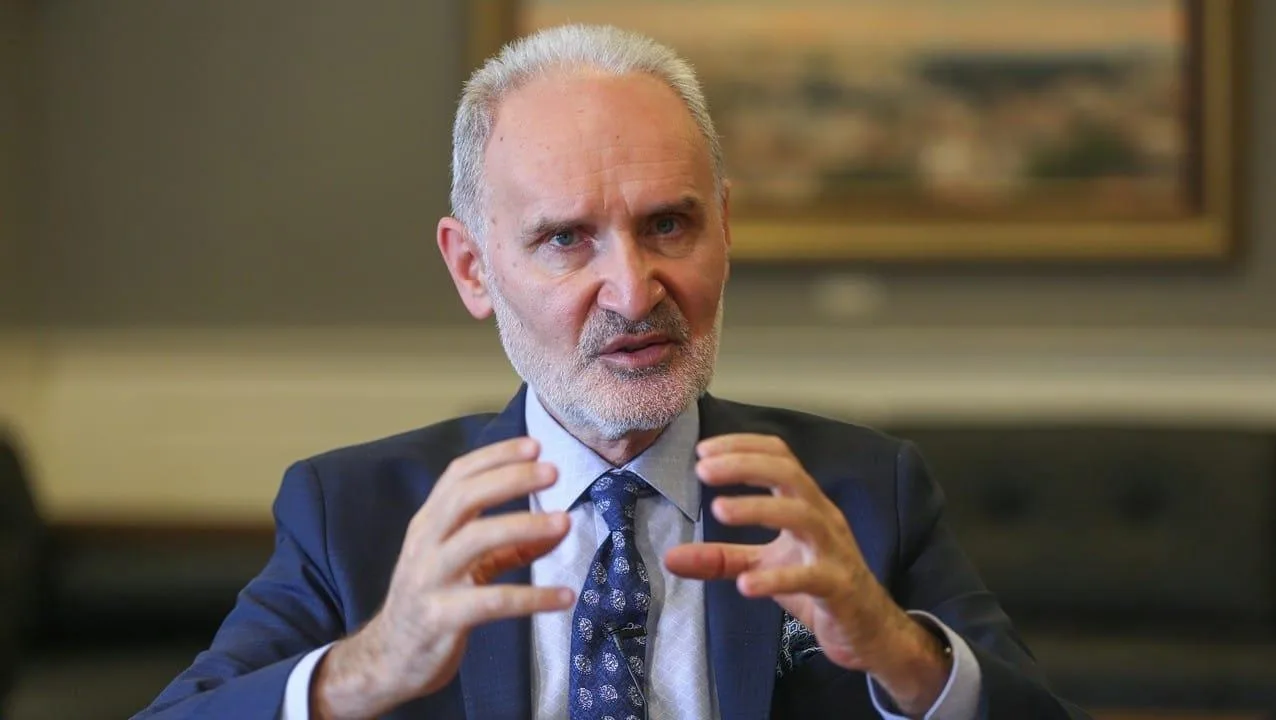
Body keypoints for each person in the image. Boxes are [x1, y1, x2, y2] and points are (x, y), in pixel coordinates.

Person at [135, 24, 1087, 720]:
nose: (634, 292)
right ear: (472, 268)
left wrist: (901, 654)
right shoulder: (354, 514)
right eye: (565, 239)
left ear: (725, 229)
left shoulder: (861, 493)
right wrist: (365, 669)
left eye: (669, 225)